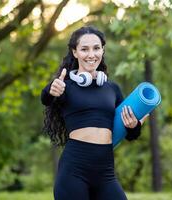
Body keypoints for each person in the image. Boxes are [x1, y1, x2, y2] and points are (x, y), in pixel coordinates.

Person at [41, 26, 148, 200]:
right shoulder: (64, 86)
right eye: (84, 49)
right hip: (74, 171)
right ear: (75, 52)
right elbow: (46, 98)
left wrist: (134, 125)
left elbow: (131, 135)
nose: (91, 55)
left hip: (105, 173)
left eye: (96, 48)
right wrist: (51, 89)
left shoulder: (112, 89)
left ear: (102, 50)